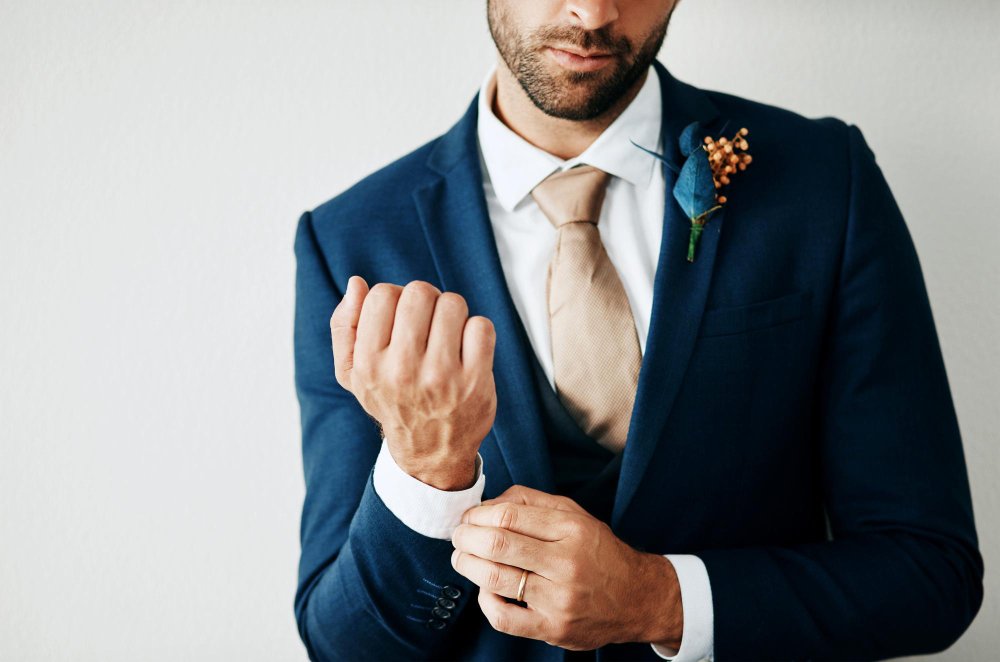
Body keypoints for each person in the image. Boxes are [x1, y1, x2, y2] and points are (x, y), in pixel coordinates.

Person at [291, 1, 984, 660]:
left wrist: (661, 601)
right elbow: (344, 645)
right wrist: (427, 470)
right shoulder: (350, 241)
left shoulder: (826, 181)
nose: (593, 15)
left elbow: (931, 572)